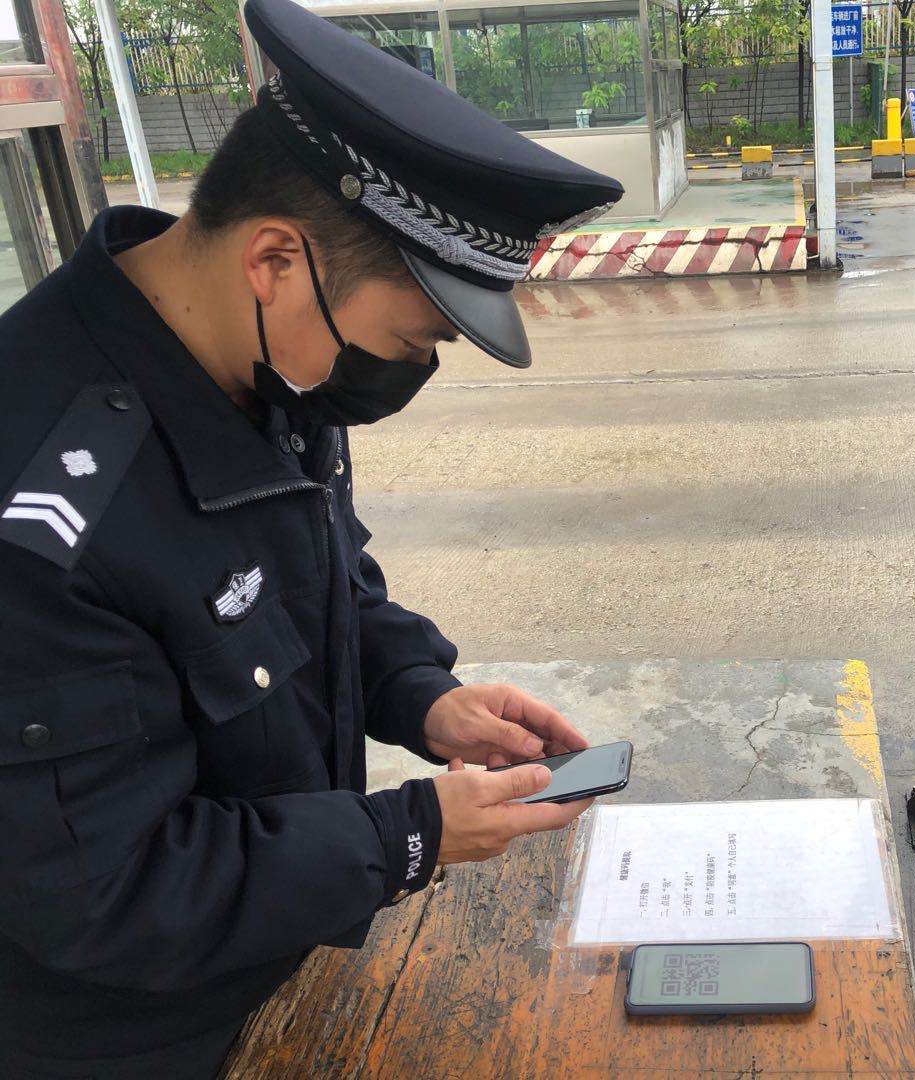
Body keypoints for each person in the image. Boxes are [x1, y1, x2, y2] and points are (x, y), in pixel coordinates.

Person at [0, 0, 624, 1074]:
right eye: (413, 338)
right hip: (141, 1036)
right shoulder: (43, 514)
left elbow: (320, 581)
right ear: (275, 259)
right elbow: (108, 888)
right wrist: (406, 837)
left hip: (285, 959)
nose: (411, 373)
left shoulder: (257, 363)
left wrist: (422, 692)